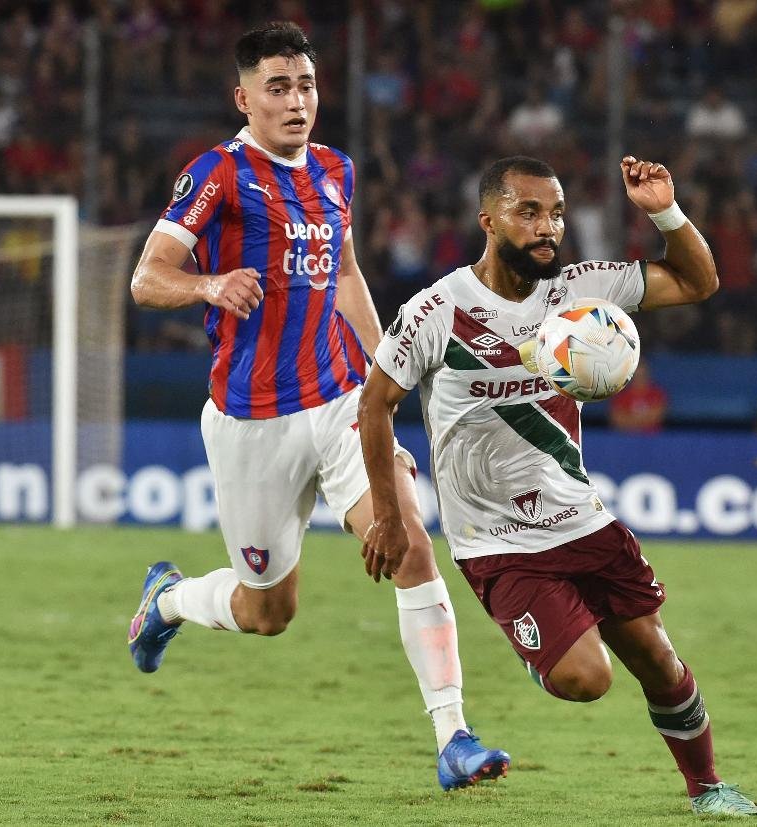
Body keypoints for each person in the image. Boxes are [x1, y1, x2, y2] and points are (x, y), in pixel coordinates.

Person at [124, 23, 508, 791]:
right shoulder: (219, 175)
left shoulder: (336, 170)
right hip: (252, 422)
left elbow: (347, 276)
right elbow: (146, 277)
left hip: (340, 403)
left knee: (409, 544)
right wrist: (207, 285)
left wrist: (385, 372)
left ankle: (454, 736)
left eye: (305, 84)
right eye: (278, 87)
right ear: (245, 98)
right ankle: (167, 602)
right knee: (268, 612)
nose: (297, 100)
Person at [358, 155, 757, 817]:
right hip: (493, 539)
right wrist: (390, 514)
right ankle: (545, 649)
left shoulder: (582, 290)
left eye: (555, 212)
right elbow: (375, 404)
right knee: (585, 677)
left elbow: (699, 281)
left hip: (582, 519)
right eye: (529, 212)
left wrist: (664, 209)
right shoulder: (438, 309)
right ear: (488, 220)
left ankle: (708, 788)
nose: (547, 226)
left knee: (658, 659)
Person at [608, 362, 669, 433]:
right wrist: (642, 420)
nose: (639, 374)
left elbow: (658, 416)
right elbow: (617, 419)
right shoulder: (620, 395)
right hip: (626, 438)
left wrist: (631, 419)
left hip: (653, 438)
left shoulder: (657, 393)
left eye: (641, 370)